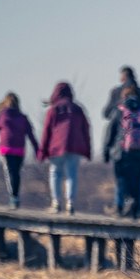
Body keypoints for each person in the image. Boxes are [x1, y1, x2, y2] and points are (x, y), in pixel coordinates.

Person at [103, 83, 140, 219]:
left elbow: (111, 132)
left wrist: (106, 150)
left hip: (123, 152)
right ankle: (137, 209)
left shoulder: (120, 110)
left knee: (122, 181)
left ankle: (120, 207)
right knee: (138, 181)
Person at [37, 82, 91, 214]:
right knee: (71, 174)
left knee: (55, 173)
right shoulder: (78, 109)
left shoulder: (53, 110)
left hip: (56, 146)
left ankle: (56, 202)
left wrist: (42, 151)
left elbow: (46, 132)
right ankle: (70, 203)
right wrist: (87, 149)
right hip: (75, 146)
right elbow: (86, 129)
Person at [0, 93, 39, 209]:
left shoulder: (2, 116)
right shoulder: (22, 117)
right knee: (16, 173)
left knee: (9, 172)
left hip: (6, 148)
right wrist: (37, 149)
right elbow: (31, 134)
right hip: (20, 149)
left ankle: (13, 197)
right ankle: (15, 196)